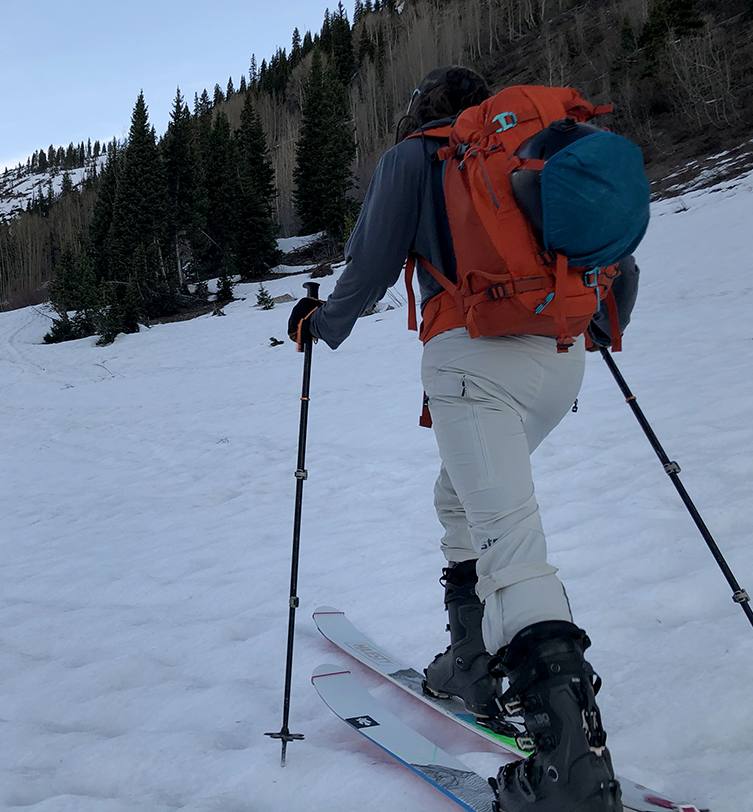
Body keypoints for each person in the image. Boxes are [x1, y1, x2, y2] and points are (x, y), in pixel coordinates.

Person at [287, 66, 639, 812]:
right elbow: (616, 256)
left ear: (422, 111)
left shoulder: (416, 155)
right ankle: (472, 665)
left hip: (475, 364)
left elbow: (373, 262)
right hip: (562, 361)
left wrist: (322, 324)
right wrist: (595, 325)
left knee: (508, 541)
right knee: (461, 498)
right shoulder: (534, 148)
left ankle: (567, 770)